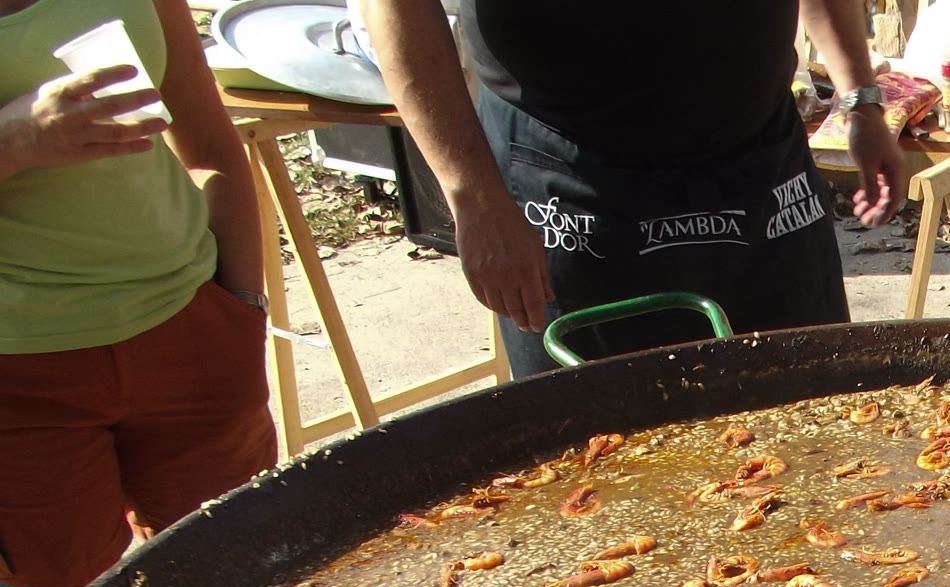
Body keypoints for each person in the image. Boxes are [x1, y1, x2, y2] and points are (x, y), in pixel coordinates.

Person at [363, 0, 906, 377]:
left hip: (763, 169)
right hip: (571, 181)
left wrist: (860, 99)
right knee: (596, 456)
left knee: (812, 426)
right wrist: (474, 198)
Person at [0, 0, 273, 587]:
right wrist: (13, 141)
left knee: (238, 580)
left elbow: (206, 136)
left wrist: (243, 305)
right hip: (19, 369)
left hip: (195, 328)